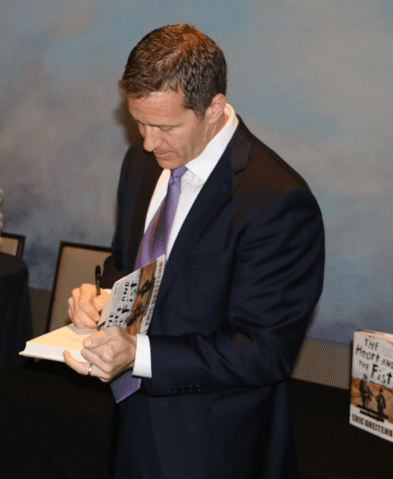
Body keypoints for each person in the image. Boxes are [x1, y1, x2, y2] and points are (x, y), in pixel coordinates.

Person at [65, 24, 325, 478]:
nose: (148, 142)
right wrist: (101, 298)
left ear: (214, 108)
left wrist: (138, 354)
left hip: (214, 449)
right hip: (132, 425)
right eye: (139, 122)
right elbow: (127, 263)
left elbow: (264, 351)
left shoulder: (277, 200)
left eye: (165, 127)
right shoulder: (141, 162)